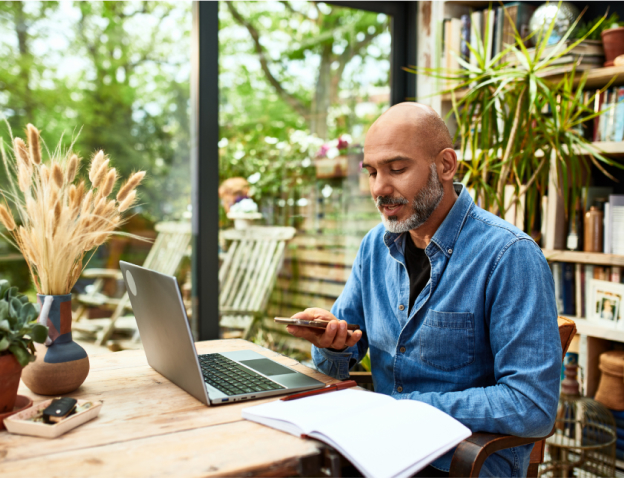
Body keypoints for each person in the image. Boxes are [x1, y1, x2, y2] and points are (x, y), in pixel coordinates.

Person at [286, 103, 561, 477]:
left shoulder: (509, 256)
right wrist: (331, 344)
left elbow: (532, 405)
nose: (380, 189)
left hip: (456, 462)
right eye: (372, 173)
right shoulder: (374, 246)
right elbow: (342, 357)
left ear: (446, 166)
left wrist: (406, 409)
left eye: (397, 169)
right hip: (379, 449)